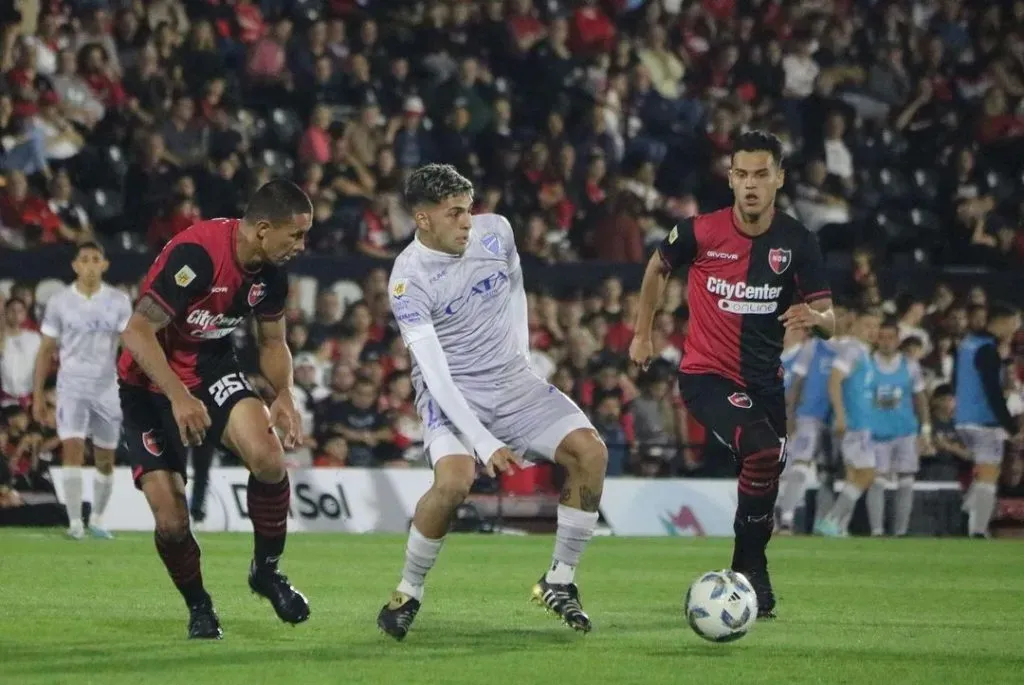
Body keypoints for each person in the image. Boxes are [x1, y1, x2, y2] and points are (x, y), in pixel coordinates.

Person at [378, 164, 608, 640]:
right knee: (455, 484)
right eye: (455, 213)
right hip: (454, 391)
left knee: (590, 452)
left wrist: (522, 357)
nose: (468, 221)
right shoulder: (408, 279)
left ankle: (559, 581)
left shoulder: (495, 232)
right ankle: (408, 590)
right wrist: (482, 441)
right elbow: (435, 373)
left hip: (512, 381)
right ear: (423, 219)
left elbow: (515, 288)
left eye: (470, 208)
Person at [629, 131, 835, 618]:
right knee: (762, 452)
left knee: (767, 471)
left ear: (779, 179)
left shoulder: (797, 243)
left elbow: (830, 317)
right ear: (730, 178)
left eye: (761, 174)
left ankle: (748, 569)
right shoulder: (700, 231)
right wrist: (643, 334)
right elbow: (657, 267)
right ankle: (751, 573)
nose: (750, 185)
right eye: (741, 174)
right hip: (706, 376)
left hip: (765, 382)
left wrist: (817, 322)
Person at [117, 180, 313, 639]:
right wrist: (177, 396)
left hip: (210, 366)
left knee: (268, 458)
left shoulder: (271, 273)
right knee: (170, 521)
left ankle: (266, 572)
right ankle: (199, 606)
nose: (302, 246)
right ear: (263, 228)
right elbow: (137, 331)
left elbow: (272, 340)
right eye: (297, 235)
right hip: (148, 382)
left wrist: (283, 392)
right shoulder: (198, 255)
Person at [32, 242, 132, 540]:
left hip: (106, 389)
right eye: (84, 260)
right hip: (71, 387)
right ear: (75, 265)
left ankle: (98, 519)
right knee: (72, 450)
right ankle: (75, 523)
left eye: (95, 259)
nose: (90, 265)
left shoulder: (119, 301)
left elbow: (129, 347)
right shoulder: (60, 302)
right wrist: (38, 394)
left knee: (105, 457)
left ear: (104, 265)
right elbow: (45, 350)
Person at [954, 303, 1022, 537]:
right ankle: (977, 530)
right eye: (1014, 324)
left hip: (963, 419)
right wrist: (1010, 426)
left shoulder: (968, 342)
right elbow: (992, 390)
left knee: (984, 472)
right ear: (1003, 321)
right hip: (984, 421)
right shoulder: (987, 348)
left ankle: (966, 510)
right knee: (989, 475)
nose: (1015, 330)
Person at [814, 308, 882, 537]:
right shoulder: (851, 350)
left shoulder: (863, 352)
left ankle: (839, 525)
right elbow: (834, 381)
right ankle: (831, 519)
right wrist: (841, 416)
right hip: (854, 423)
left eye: (875, 327)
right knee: (867, 474)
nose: (872, 331)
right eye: (867, 326)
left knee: (854, 476)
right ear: (854, 325)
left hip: (861, 422)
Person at [867, 318, 932, 537]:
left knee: (906, 480)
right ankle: (877, 530)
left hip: (905, 431)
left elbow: (920, 398)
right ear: (877, 339)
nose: (886, 342)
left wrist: (925, 430)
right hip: (876, 433)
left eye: (890, 338)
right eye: (882, 338)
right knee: (877, 481)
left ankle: (901, 532)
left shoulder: (910, 365)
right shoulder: (867, 364)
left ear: (897, 340)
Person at [776, 329, 837, 534]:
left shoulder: (808, 352)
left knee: (809, 470)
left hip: (808, 418)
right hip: (774, 422)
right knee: (777, 474)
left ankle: (789, 520)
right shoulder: (768, 357)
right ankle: (775, 519)